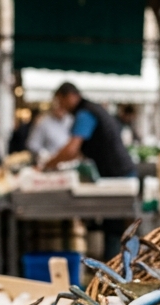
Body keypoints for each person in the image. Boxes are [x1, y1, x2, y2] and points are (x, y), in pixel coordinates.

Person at [43, 82, 137, 257]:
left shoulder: (85, 113)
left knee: (115, 231)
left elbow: (72, 149)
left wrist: (48, 165)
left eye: (60, 101)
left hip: (117, 176)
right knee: (114, 228)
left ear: (70, 96)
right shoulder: (90, 110)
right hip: (117, 174)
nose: (60, 107)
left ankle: (114, 273)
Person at [27, 97, 73, 162]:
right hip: (49, 163)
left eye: (62, 106)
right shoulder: (43, 122)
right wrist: (45, 155)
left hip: (69, 162)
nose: (60, 109)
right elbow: (32, 144)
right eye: (58, 106)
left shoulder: (71, 120)